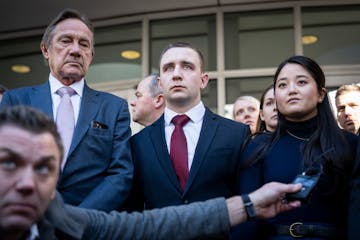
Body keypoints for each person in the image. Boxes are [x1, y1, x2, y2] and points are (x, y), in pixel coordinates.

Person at [0, 105, 303, 240]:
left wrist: (250, 203)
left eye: (43, 168)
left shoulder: (62, 221)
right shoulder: (141, 144)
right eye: (9, 163)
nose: (28, 183)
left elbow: (152, 225)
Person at [0, 9, 132, 212]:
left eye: (84, 44)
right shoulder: (16, 100)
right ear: (46, 50)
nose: (75, 50)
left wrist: (78, 220)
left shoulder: (114, 108)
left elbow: (120, 174)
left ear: (91, 55)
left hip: (89, 225)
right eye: (66, 40)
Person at [237, 55, 357, 239]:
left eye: (301, 82)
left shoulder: (350, 144)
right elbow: (248, 218)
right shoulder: (257, 147)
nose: (291, 90)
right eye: (282, 85)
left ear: (321, 94)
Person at [128, 42, 250, 211]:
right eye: (169, 68)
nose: (177, 75)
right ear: (160, 83)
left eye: (187, 67)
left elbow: (247, 202)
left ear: (203, 80)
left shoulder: (236, 134)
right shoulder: (138, 144)